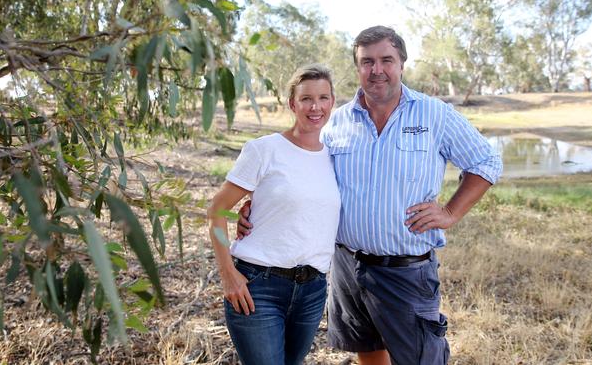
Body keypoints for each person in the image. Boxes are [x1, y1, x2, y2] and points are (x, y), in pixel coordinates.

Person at [238, 26, 503, 365]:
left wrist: (451, 212)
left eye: (386, 60)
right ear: (358, 67)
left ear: (402, 63)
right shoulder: (337, 122)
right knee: (368, 354)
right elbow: (305, 174)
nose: (377, 70)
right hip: (348, 266)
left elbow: (486, 161)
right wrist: (257, 208)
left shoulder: (433, 114)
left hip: (405, 271)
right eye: (367, 62)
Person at [207, 64, 341, 365]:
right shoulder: (264, 150)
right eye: (306, 98)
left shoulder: (335, 156)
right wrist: (228, 275)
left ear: (333, 102)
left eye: (323, 97)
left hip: (313, 289)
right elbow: (216, 210)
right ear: (292, 104)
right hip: (259, 287)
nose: (315, 106)